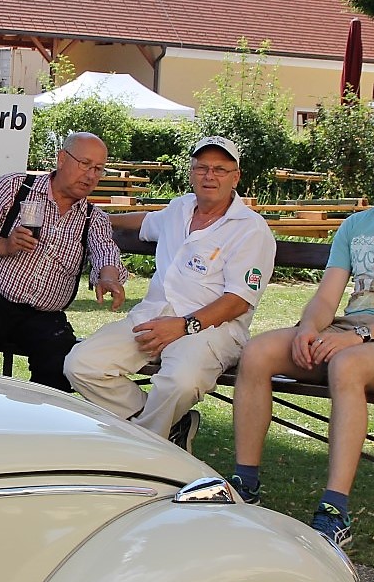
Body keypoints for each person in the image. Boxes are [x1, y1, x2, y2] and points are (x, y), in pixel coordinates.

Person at [230, 120, 374, 546]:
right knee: (259, 352)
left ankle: (335, 510)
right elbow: (326, 297)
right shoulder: (355, 225)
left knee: (347, 364)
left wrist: (356, 338)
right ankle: (245, 486)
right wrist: (307, 328)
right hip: (350, 333)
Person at [64, 136, 275, 451]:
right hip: (153, 317)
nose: (209, 176)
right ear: (191, 172)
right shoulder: (180, 208)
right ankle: (170, 428)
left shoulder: (250, 229)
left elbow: (239, 300)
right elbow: (145, 222)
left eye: (220, 169)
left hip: (209, 329)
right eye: (201, 167)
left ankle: (139, 451)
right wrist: (91, 219)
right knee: (81, 364)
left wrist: (183, 325)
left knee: (178, 383)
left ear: (236, 177)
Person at [0, 131, 128, 390]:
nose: (91, 175)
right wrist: (5, 245)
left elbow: (105, 250)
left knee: (59, 369)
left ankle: (34, 426)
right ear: (62, 159)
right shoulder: (16, 188)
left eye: (98, 169)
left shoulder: (92, 218)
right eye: (85, 164)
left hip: (44, 315)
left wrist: (109, 277)